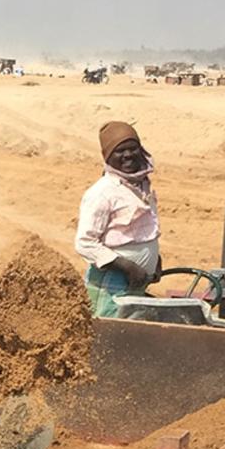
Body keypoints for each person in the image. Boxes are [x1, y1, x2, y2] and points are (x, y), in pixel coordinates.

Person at [74, 121, 160, 317]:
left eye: (133, 148)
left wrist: (155, 259)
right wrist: (127, 267)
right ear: (108, 157)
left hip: (137, 281)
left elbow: (142, 230)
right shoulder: (102, 193)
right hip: (111, 284)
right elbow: (84, 243)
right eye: (120, 151)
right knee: (109, 336)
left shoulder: (141, 186)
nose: (128, 155)